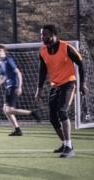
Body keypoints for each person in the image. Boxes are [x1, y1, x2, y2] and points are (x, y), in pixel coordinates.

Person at [35, 24, 88, 158]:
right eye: (41, 35)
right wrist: (39, 89)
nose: (42, 37)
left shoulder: (66, 47)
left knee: (62, 111)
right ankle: (65, 143)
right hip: (55, 86)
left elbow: (81, 64)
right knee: (53, 118)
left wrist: (83, 84)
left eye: (45, 34)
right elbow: (42, 71)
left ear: (53, 35)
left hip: (69, 83)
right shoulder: (42, 51)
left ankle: (69, 147)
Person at [0, 44, 39, 136]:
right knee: (5, 110)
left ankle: (31, 113)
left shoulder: (8, 60)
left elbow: (18, 73)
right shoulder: (1, 63)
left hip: (14, 86)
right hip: (8, 87)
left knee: (9, 110)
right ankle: (17, 129)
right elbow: (2, 77)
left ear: (4, 51)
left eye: (0, 50)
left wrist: (19, 86)